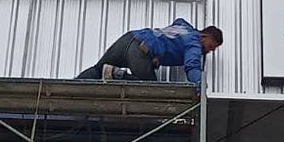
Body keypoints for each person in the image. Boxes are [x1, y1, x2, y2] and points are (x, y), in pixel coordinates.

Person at [76, 19, 222, 91]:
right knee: (151, 90)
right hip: (141, 51)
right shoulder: (194, 42)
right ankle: (118, 75)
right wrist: (199, 86)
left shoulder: (185, 29)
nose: (208, 51)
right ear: (203, 36)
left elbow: (179, 20)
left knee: (98, 70)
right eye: (210, 46)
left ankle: (70, 86)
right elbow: (192, 65)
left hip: (130, 38)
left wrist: (160, 50)